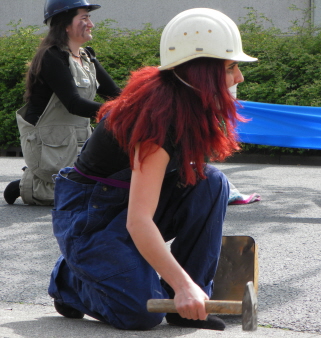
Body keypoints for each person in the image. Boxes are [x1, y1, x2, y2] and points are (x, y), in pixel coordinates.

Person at [48, 8, 257, 331]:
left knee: (212, 182)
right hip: (91, 218)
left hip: (123, 206)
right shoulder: (157, 117)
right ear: (200, 72)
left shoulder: (183, 99)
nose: (239, 77)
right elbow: (139, 220)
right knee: (140, 313)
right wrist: (182, 283)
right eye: (231, 68)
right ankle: (69, 281)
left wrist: (185, 286)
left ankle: (186, 302)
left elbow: (151, 205)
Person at [3, 0, 120, 205]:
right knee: (81, 196)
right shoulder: (51, 57)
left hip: (78, 141)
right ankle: (26, 185)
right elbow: (74, 103)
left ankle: (47, 181)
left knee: (102, 188)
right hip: (50, 146)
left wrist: (141, 104)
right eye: (84, 18)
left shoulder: (87, 57)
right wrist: (121, 111)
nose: (91, 24)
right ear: (65, 24)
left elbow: (115, 94)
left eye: (89, 18)